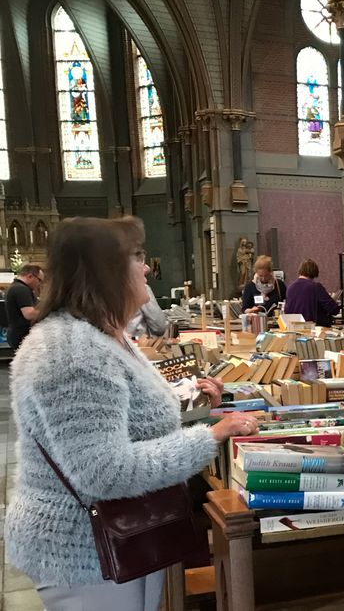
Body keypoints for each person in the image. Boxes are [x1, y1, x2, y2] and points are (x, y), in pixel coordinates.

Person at [5, 216, 258, 609]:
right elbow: (105, 471)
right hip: (82, 551)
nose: (145, 268)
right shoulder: (71, 352)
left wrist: (195, 401)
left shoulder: (105, 332)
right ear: (106, 270)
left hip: (118, 533)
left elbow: (125, 413)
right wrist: (211, 436)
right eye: (137, 257)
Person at [283, 259, 340, 327]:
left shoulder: (290, 288)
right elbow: (333, 309)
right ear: (314, 272)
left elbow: (287, 311)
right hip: (314, 329)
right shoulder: (316, 287)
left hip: (294, 329)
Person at [5, 264, 44, 351]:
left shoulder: (16, 287)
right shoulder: (21, 289)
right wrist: (49, 312)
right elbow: (29, 314)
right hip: (21, 336)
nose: (39, 284)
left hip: (16, 334)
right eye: (39, 280)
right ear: (30, 276)